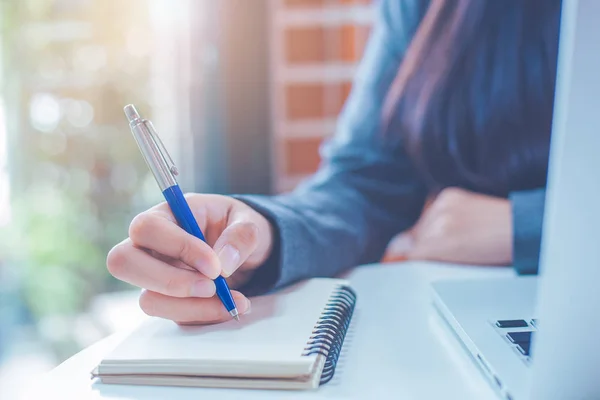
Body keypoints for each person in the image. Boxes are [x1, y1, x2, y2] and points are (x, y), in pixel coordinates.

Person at [106, 0, 561, 325]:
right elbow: (366, 183)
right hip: (474, 317)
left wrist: (526, 225)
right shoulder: (422, 9)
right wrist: (265, 234)